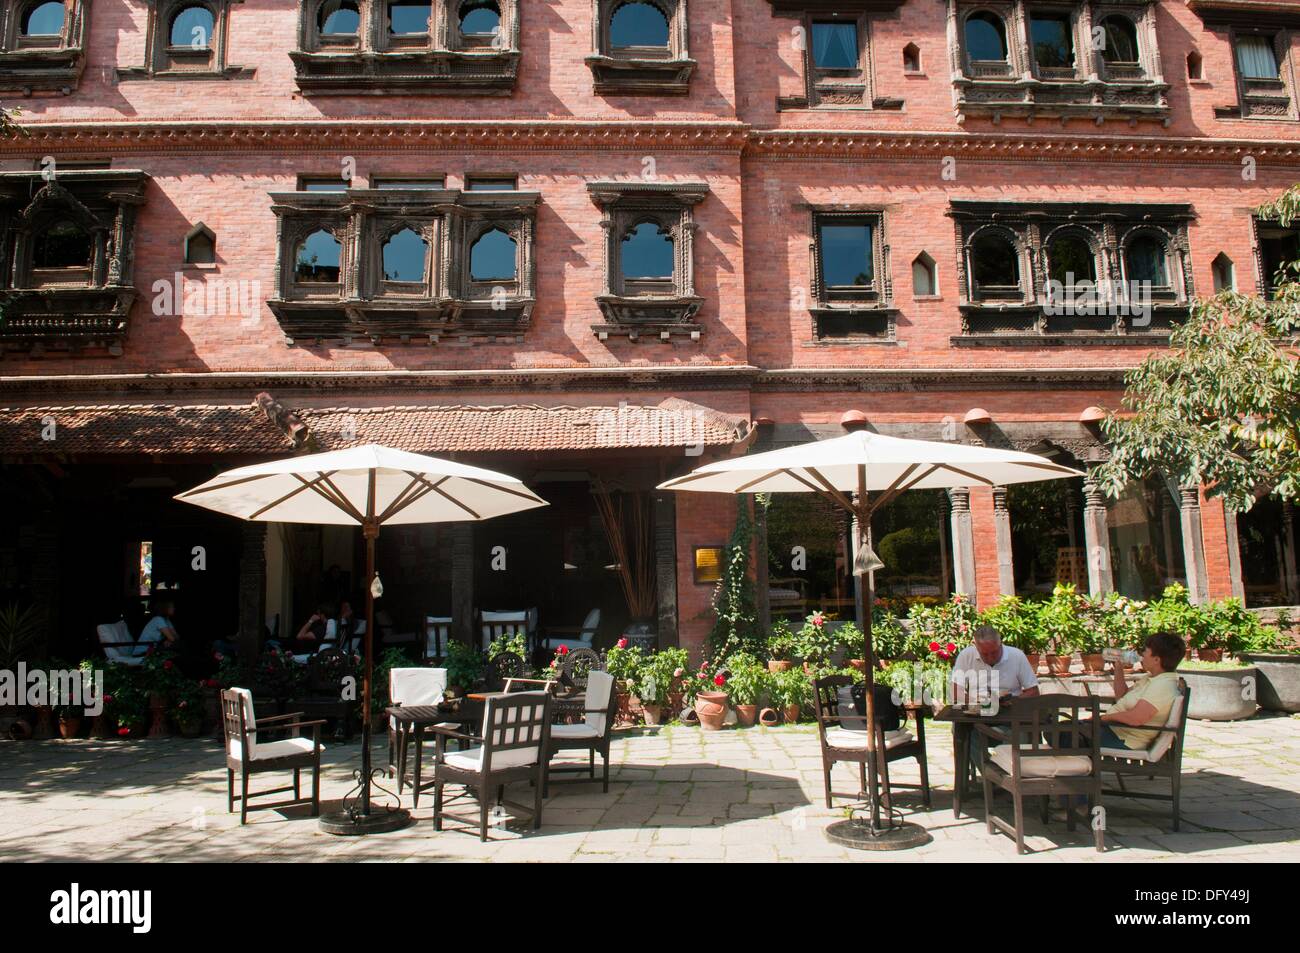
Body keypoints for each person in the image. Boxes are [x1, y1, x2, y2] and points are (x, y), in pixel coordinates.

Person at [1097, 632, 1185, 751]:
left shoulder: (1162, 686)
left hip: (1124, 739)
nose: (1142, 654)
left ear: (1156, 659)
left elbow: (1136, 718)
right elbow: (1121, 696)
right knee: (1067, 729)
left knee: (1066, 735)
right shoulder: (1152, 678)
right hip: (1114, 731)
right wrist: (1118, 668)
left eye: (1145, 651)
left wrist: (1103, 718)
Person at [950, 624, 1040, 704]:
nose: (990, 658)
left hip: (1011, 712)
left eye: (994, 652)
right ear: (976, 647)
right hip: (977, 712)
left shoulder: (1017, 655)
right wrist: (978, 700)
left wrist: (1011, 701)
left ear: (1001, 644)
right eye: (984, 654)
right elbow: (955, 692)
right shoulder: (966, 655)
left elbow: (1033, 691)